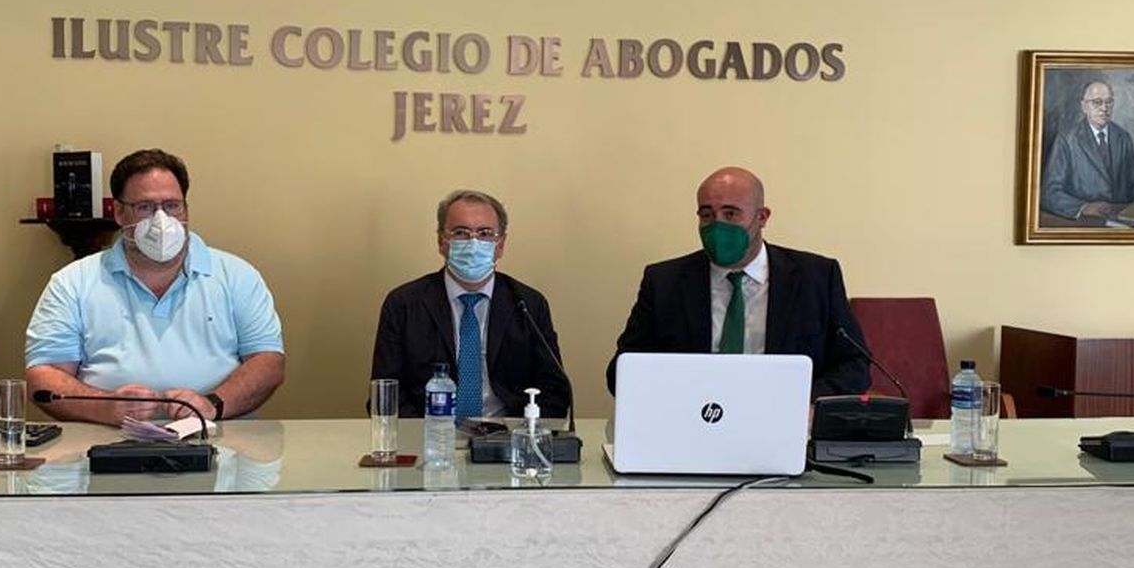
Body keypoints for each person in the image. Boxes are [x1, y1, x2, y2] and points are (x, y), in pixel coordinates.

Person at [25, 148, 285, 426]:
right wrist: (104, 407)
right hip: (107, 438)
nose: (161, 221)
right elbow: (44, 376)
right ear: (119, 213)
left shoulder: (237, 276)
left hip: (220, 435)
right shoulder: (72, 283)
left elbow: (268, 362)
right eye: (145, 207)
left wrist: (212, 405)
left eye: (172, 205)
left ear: (186, 208)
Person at [608, 166, 869, 398]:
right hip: (694, 419)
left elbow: (854, 366)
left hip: (781, 419)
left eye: (731, 213)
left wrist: (800, 402)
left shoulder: (816, 278)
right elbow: (621, 372)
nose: (717, 225)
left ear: (762, 217)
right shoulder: (664, 283)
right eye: (707, 214)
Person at [370, 188, 569, 419]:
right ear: (441, 242)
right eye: (460, 233)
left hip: (508, 432)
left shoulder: (529, 305)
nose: (473, 243)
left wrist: (523, 433)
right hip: (430, 431)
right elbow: (385, 394)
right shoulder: (403, 304)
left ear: (500, 245)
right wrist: (425, 433)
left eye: (485, 233)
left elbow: (555, 391)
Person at [1041, 77, 1134, 221]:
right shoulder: (1067, 139)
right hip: (1082, 222)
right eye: (1097, 102)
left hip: (1119, 221)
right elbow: (1049, 193)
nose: (1104, 108)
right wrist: (1083, 207)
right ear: (1084, 107)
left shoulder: (1123, 137)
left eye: (1109, 102)